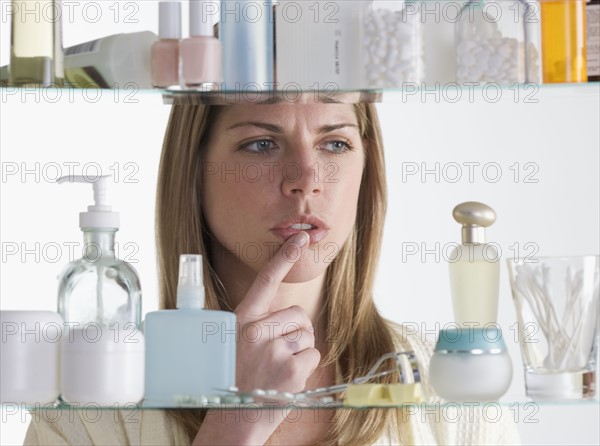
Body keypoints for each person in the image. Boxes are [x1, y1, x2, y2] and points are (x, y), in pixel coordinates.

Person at [25, 98, 520, 445]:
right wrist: (236, 426)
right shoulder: (91, 402)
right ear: (194, 174)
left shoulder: (450, 389)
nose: (305, 178)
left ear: (368, 174)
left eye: (336, 144)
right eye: (261, 144)